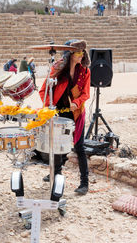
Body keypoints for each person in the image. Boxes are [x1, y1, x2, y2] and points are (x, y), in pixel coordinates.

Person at [39, 39, 91, 195]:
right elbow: (44, 91)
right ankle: (56, 175)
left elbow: (86, 93)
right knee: (56, 146)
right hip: (58, 111)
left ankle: (84, 183)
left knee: (79, 147)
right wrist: (49, 106)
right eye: (78, 53)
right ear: (70, 53)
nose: (81, 56)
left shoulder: (85, 71)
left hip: (76, 112)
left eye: (83, 53)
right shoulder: (57, 68)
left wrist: (76, 102)